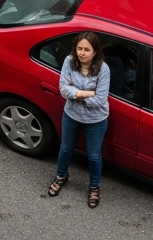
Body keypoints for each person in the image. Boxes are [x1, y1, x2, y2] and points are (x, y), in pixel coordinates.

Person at [47, 32, 110, 208]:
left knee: (93, 155)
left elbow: (100, 100)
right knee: (66, 148)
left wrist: (74, 93)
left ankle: (94, 187)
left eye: (87, 50)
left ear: (95, 52)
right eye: (79, 48)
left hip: (96, 119)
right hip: (71, 115)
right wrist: (86, 93)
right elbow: (63, 89)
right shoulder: (69, 61)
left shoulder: (103, 69)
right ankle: (61, 176)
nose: (82, 53)